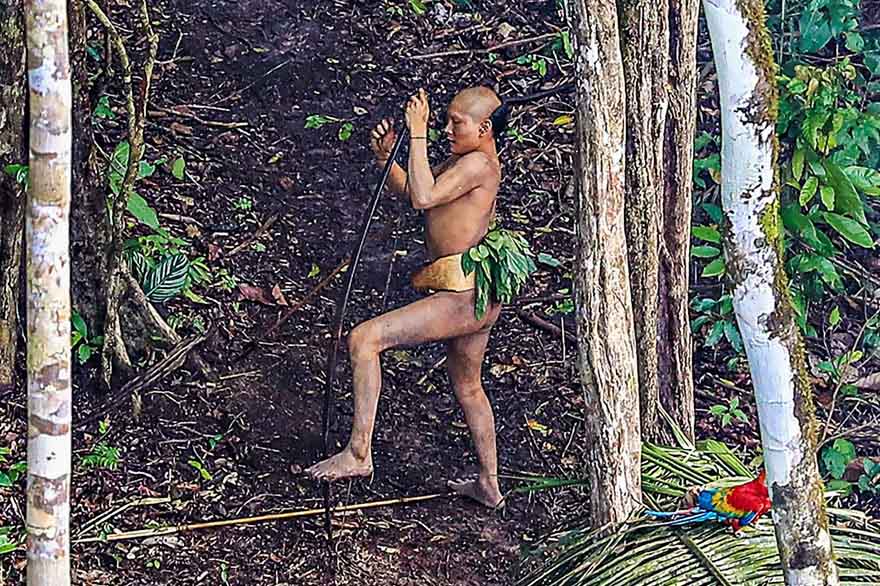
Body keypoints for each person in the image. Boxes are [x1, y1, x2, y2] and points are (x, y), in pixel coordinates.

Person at [306, 86, 510, 509]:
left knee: (365, 339)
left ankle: (359, 453)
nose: (446, 128)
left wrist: (416, 133)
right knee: (469, 386)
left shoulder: (479, 164)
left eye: (457, 122)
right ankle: (489, 485)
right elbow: (419, 186)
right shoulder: (464, 161)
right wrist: (386, 160)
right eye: (446, 119)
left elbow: (424, 197)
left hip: (463, 294)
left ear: (484, 129)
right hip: (473, 293)